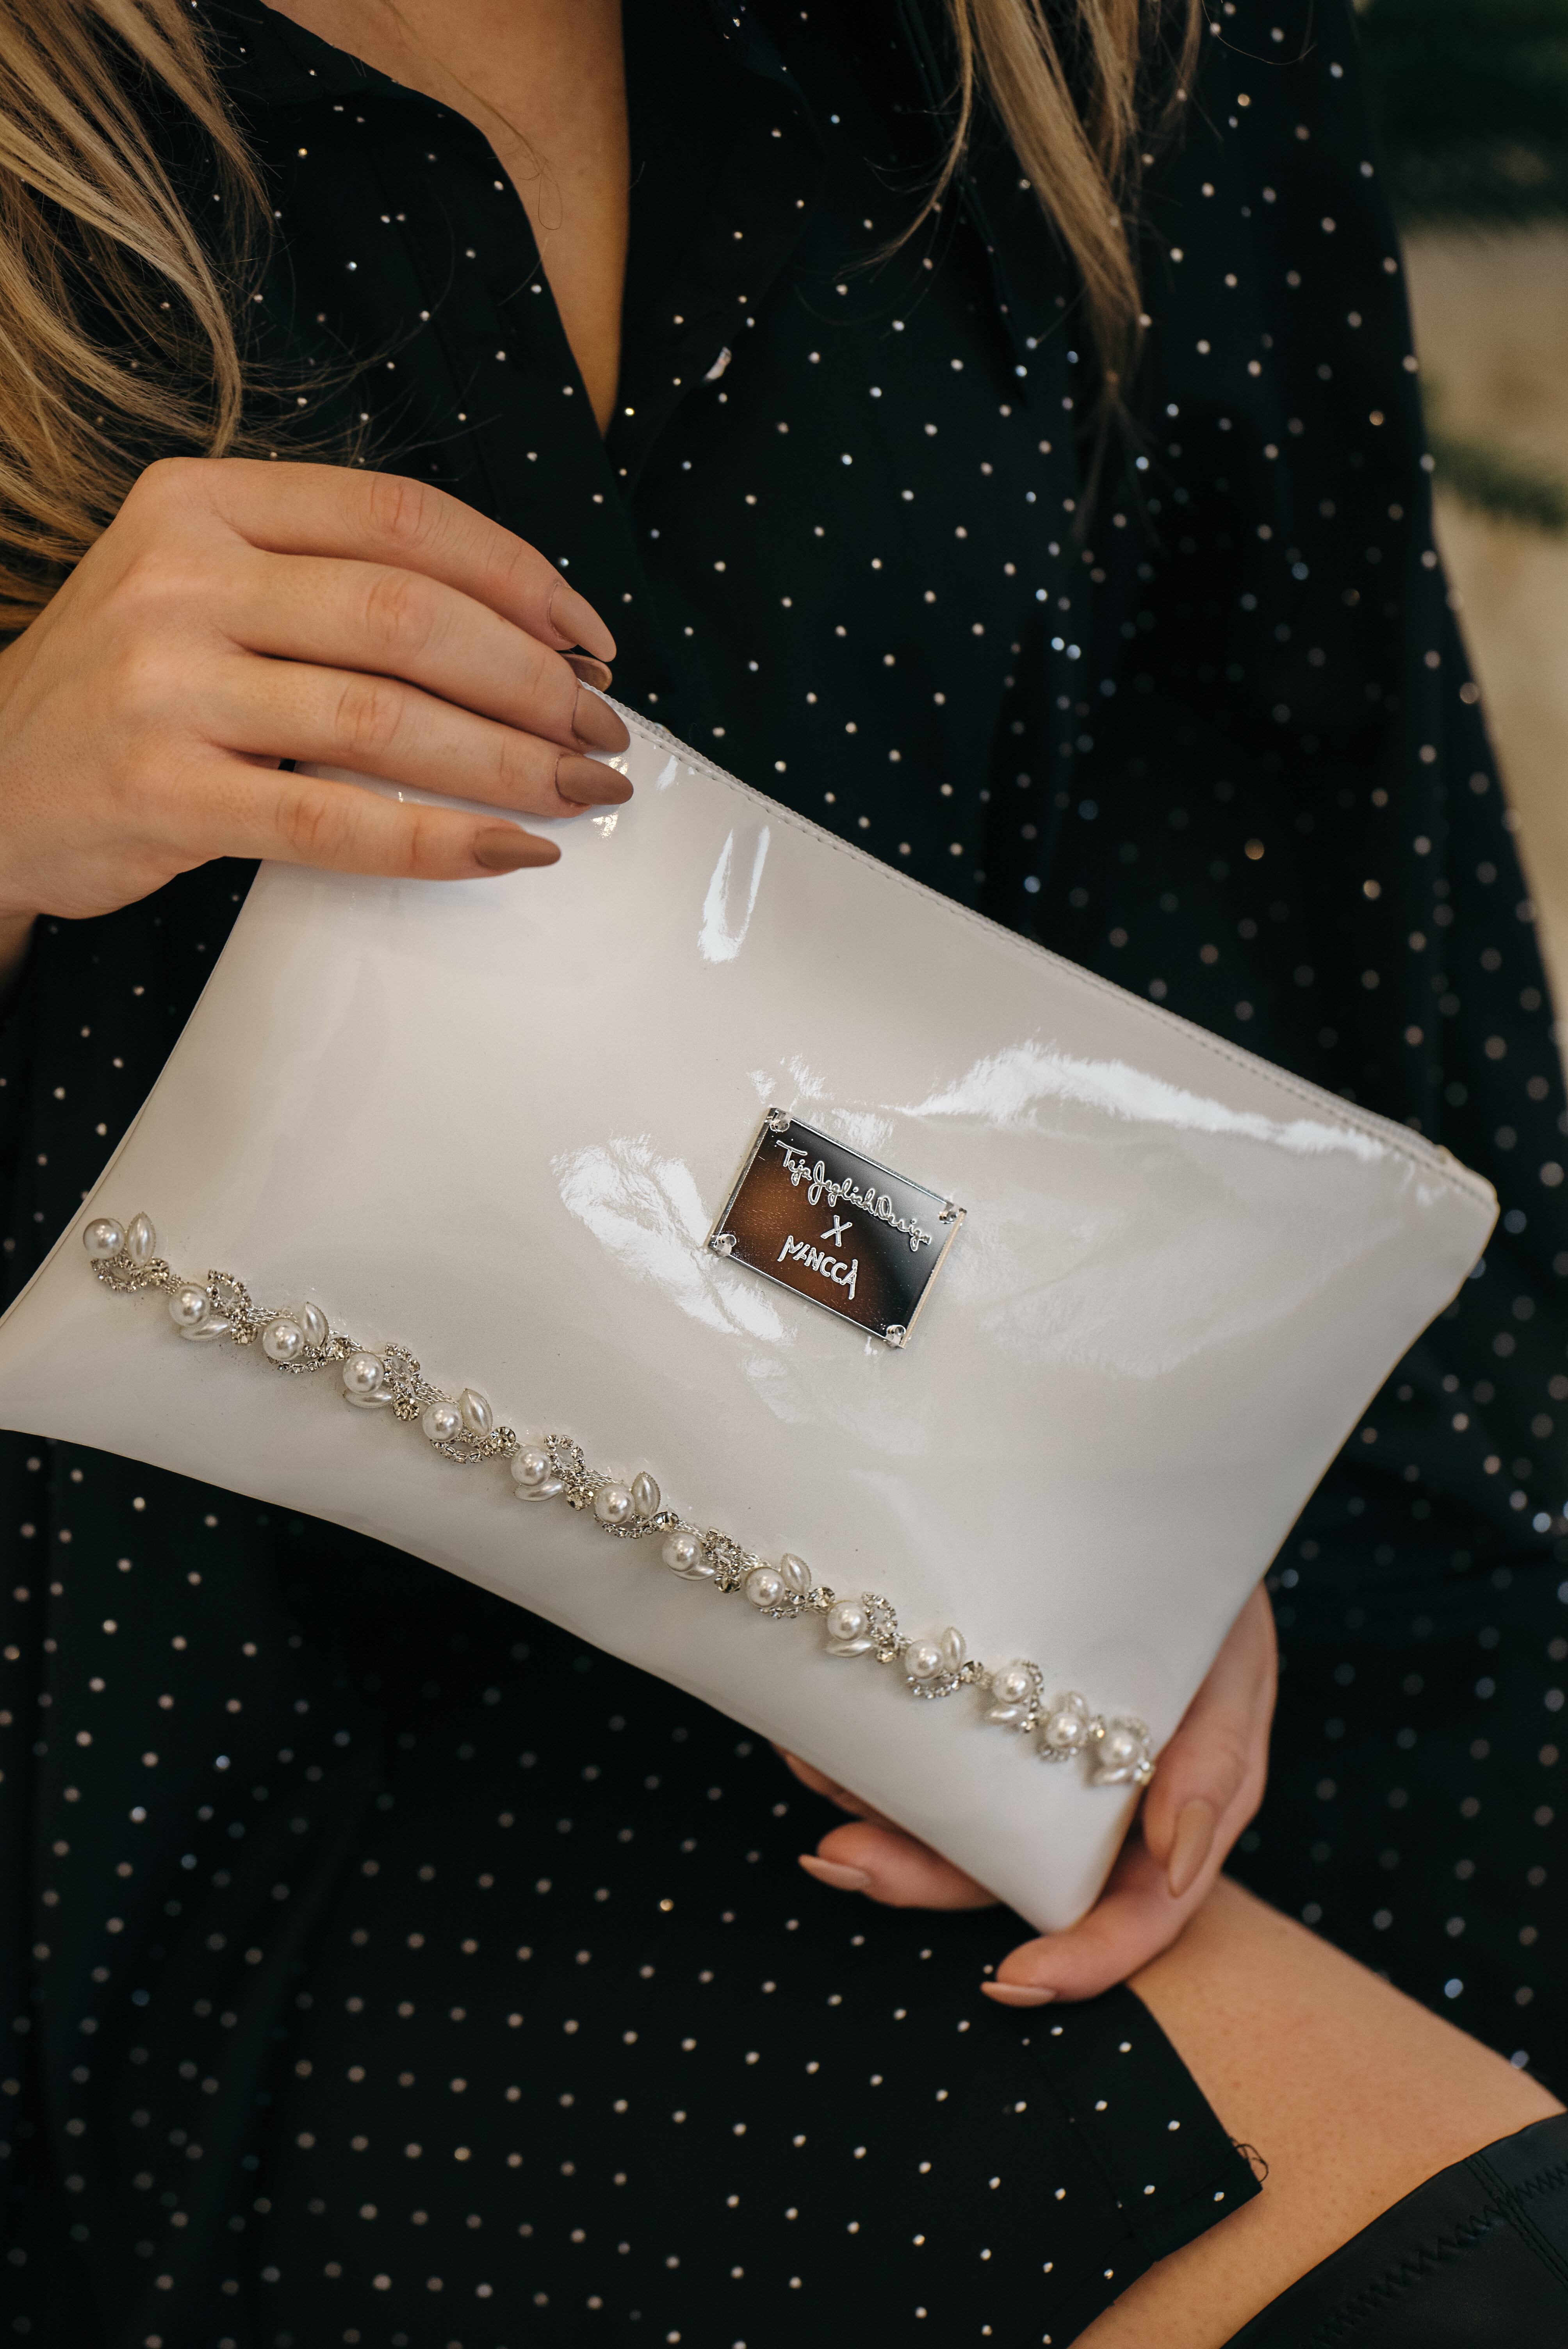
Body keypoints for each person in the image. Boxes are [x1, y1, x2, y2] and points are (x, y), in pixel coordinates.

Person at [0, 0, 1563, 2339]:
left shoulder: (1121, 48)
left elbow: (1293, 915)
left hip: (1028, 1555)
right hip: (185, 1742)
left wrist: (1160, 1443)